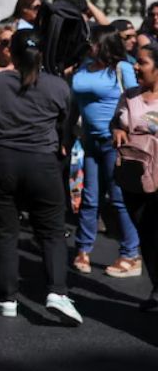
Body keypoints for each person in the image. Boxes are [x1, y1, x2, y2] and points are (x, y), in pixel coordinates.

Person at [0, 29, 82, 324]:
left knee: (5, 233)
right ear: (42, 54)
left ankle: (6, 298)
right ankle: (57, 291)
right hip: (42, 164)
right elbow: (63, 127)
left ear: (11, 53)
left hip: (0, 160)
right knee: (52, 232)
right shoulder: (58, 86)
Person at [71, 25, 142, 277]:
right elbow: (74, 104)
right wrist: (67, 133)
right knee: (89, 198)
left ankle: (131, 253)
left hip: (116, 143)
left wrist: (121, 127)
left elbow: (135, 104)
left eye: (94, 42)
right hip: (89, 142)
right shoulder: (83, 67)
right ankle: (83, 248)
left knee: (119, 199)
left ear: (105, 44)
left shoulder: (122, 69)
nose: (90, 46)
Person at [112, 45, 158, 311]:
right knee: (147, 235)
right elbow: (115, 122)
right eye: (135, 62)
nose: (135, 67)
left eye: (142, 62)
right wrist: (117, 129)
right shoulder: (129, 96)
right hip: (134, 177)